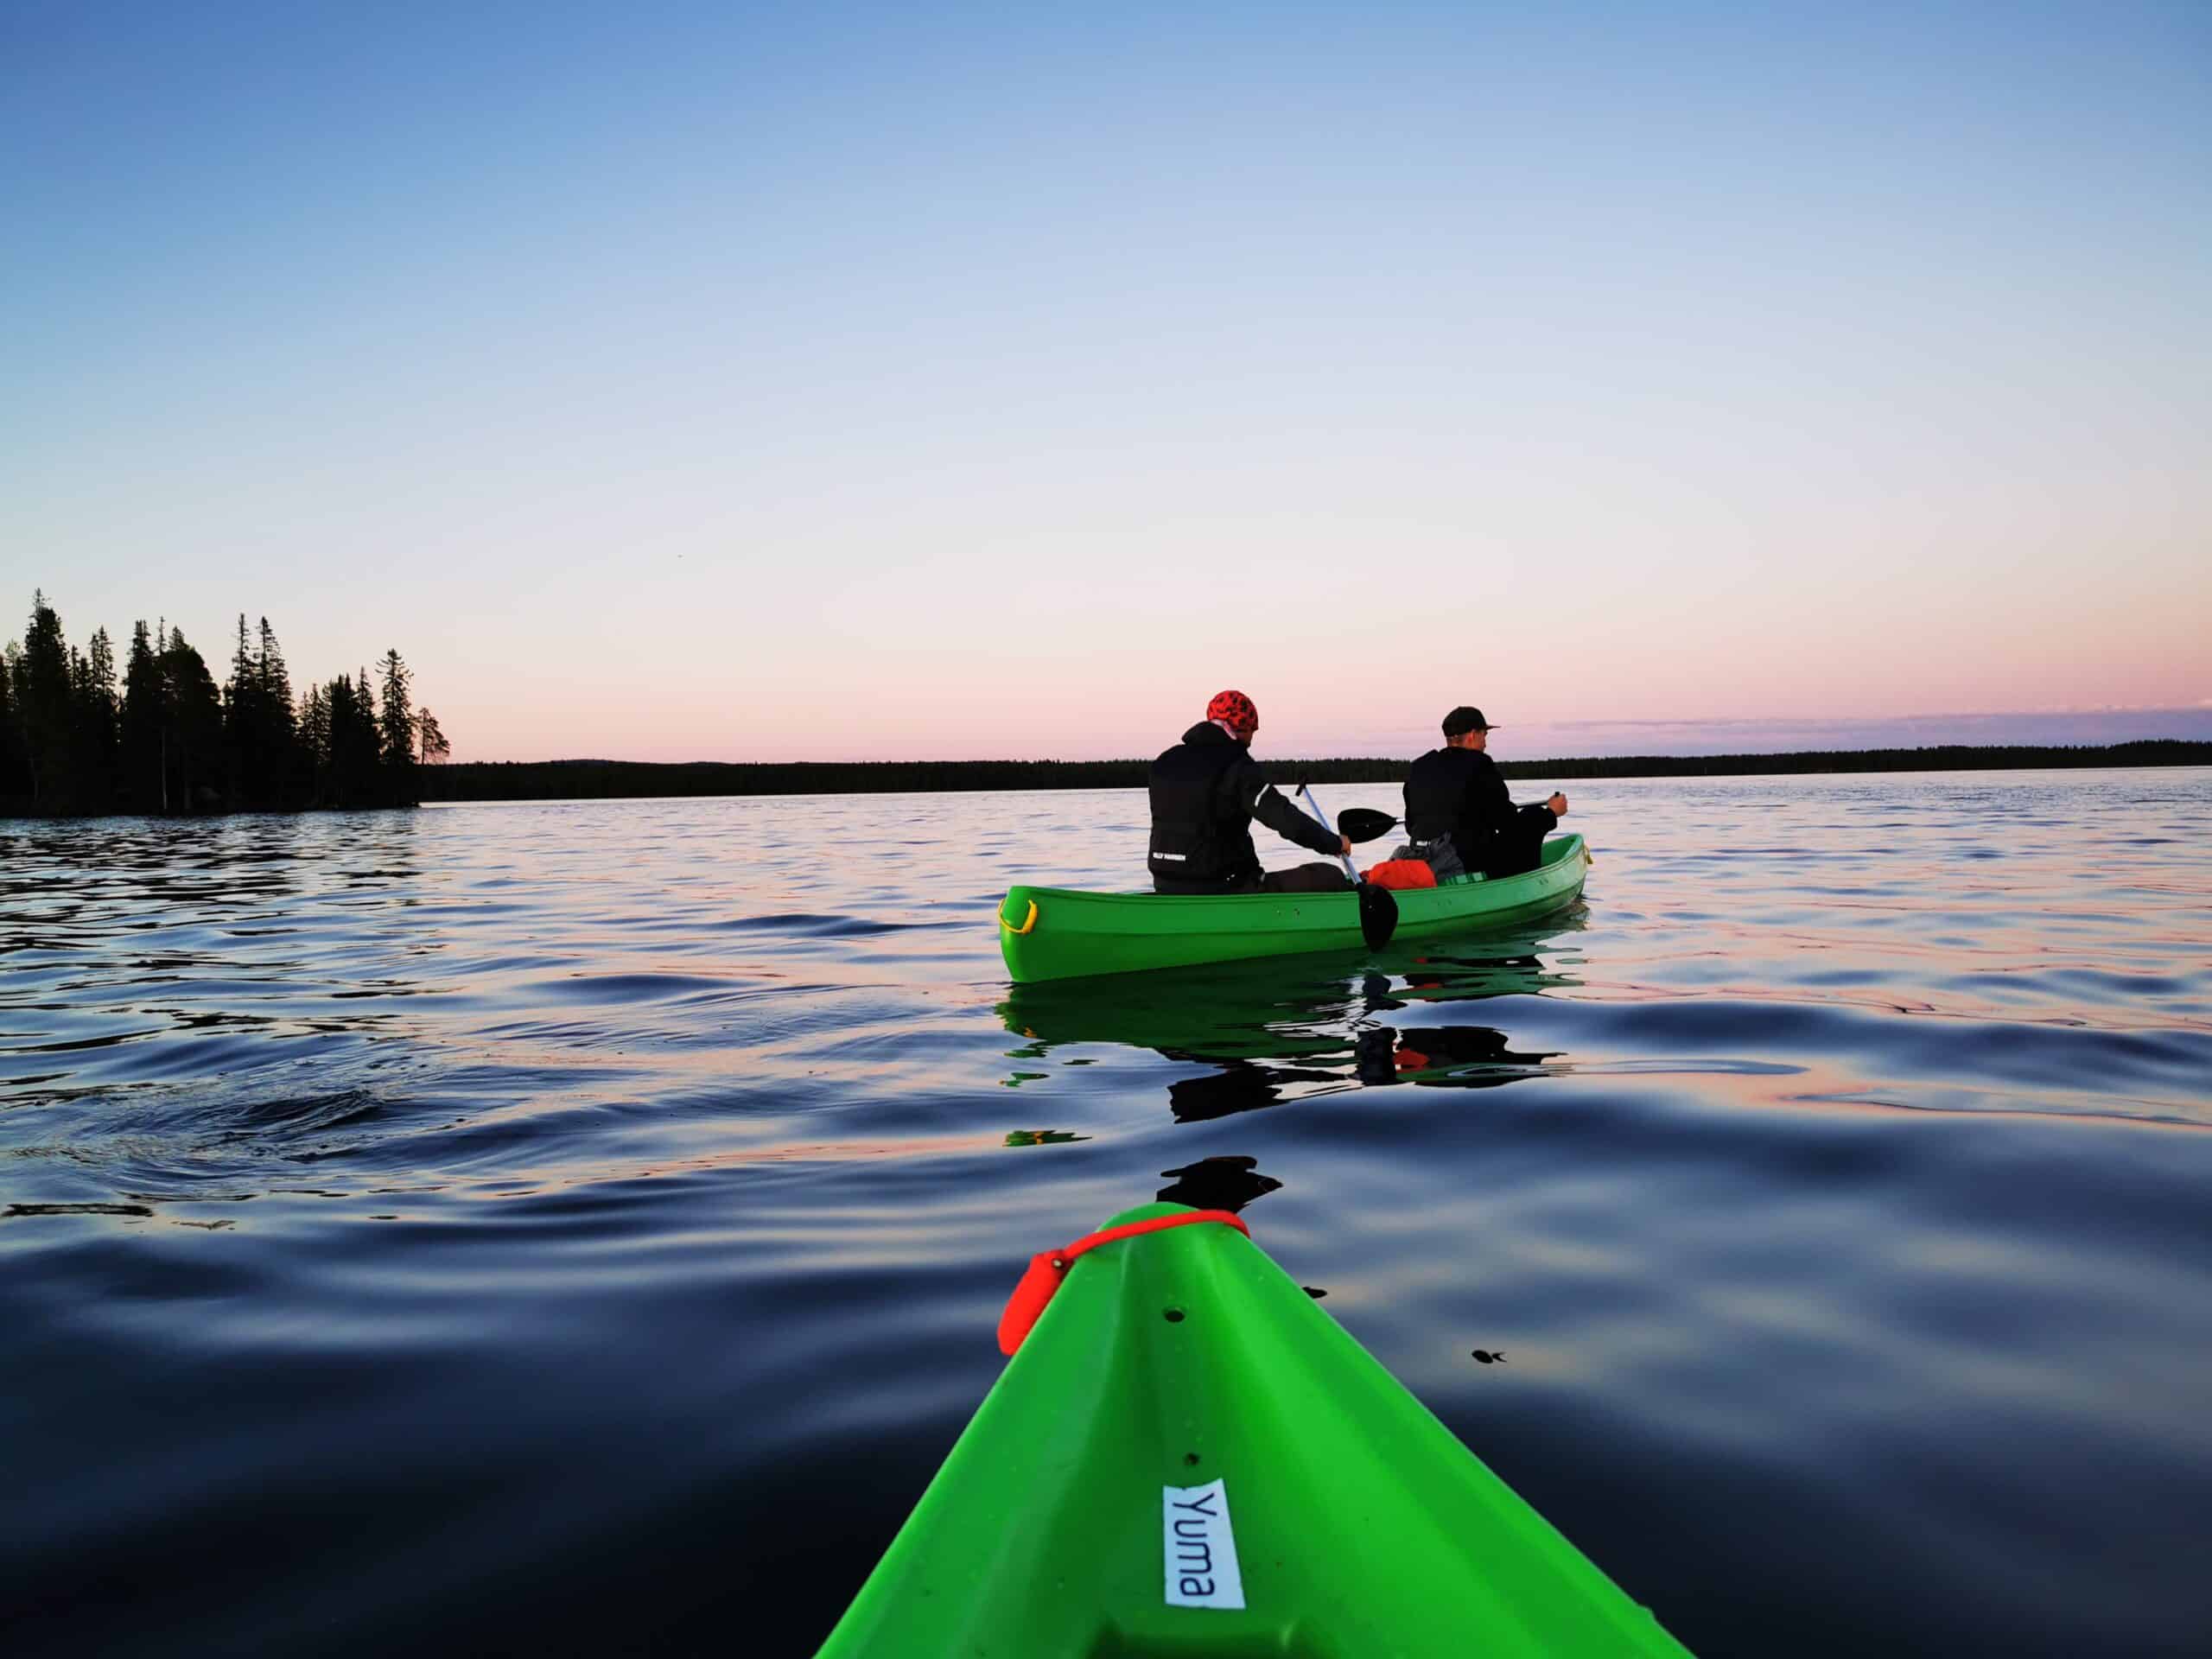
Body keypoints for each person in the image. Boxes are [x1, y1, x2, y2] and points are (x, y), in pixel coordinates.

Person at [1148, 690, 1351, 893]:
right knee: (1330, 876)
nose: (1251, 741)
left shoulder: (1164, 762)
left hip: (1165, 882)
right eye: (1251, 731)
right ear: (1241, 727)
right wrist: (1334, 843)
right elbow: (1285, 819)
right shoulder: (1237, 766)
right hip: (1225, 885)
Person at [1397, 706, 1567, 879]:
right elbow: (1507, 823)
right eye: (1484, 736)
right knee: (1530, 818)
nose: (1485, 744)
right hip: (1466, 861)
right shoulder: (1480, 764)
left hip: (1423, 855)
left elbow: (1411, 826)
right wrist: (1550, 814)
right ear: (1472, 735)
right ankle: (1525, 886)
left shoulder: (1419, 767)